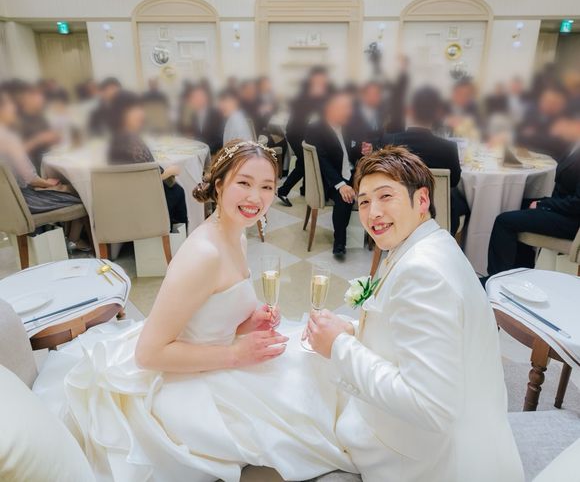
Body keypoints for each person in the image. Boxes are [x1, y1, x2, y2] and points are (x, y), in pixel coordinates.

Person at [33, 140, 356, 481]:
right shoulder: (203, 254)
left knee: (317, 377)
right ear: (219, 185)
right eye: (244, 183)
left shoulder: (236, 235)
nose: (256, 197)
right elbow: (148, 353)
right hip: (183, 378)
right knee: (306, 412)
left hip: (214, 356)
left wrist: (247, 322)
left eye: (266, 186)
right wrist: (235, 354)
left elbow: (209, 313)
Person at [305, 146, 524, 482]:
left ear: (422, 200)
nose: (373, 213)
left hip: (427, 463)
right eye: (364, 202)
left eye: (386, 196)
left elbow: (430, 406)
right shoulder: (427, 242)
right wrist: (352, 332)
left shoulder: (424, 273)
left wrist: (339, 346)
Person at [487, 113, 580, 277]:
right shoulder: (574, 144)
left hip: (571, 221)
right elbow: (548, 146)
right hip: (563, 208)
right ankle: (520, 273)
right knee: (518, 203)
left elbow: (577, 204)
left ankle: (496, 278)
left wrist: (543, 204)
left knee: (503, 221)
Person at [382, 86, 467, 236]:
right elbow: (453, 181)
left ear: (408, 111)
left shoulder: (389, 141)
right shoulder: (448, 148)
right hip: (437, 215)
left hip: (399, 212)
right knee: (462, 202)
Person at [108, 92, 188, 229]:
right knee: (178, 190)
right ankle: (175, 237)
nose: (141, 114)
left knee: (176, 190)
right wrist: (170, 172)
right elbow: (146, 180)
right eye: (135, 110)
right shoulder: (130, 141)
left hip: (128, 201)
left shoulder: (118, 138)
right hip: (145, 203)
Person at [0, 89, 85, 218]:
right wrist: (50, 184)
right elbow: (31, 179)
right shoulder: (8, 137)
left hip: (5, 205)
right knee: (84, 195)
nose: (14, 108)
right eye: (10, 105)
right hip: (23, 203)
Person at [305, 89, 369, 259]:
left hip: (350, 171)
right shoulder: (315, 128)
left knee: (374, 188)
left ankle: (372, 236)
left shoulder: (346, 126)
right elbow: (322, 160)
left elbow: (349, 153)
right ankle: (339, 242)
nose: (349, 112)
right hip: (330, 178)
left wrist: (363, 151)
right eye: (344, 108)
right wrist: (341, 185)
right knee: (345, 198)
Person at [277, 66, 330, 206]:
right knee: (305, 163)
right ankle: (282, 191)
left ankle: (304, 189)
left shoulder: (313, 94)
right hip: (296, 133)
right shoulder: (306, 94)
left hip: (301, 132)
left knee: (303, 161)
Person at [16, 83, 61, 172]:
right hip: (33, 170)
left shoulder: (40, 118)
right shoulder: (18, 121)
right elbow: (16, 152)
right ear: (26, 99)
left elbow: (50, 141)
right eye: (37, 97)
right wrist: (39, 139)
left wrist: (54, 137)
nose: (42, 100)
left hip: (49, 161)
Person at [184, 83, 224, 155]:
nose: (196, 100)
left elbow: (220, 140)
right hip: (199, 152)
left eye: (199, 97)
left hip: (213, 154)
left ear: (205, 98)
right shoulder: (194, 116)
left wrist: (203, 150)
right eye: (193, 98)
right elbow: (198, 137)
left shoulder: (215, 114)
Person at [347, 81, 384, 149]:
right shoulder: (351, 115)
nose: (374, 97)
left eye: (377, 94)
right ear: (363, 95)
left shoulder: (381, 112)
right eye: (371, 94)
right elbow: (351, 143)